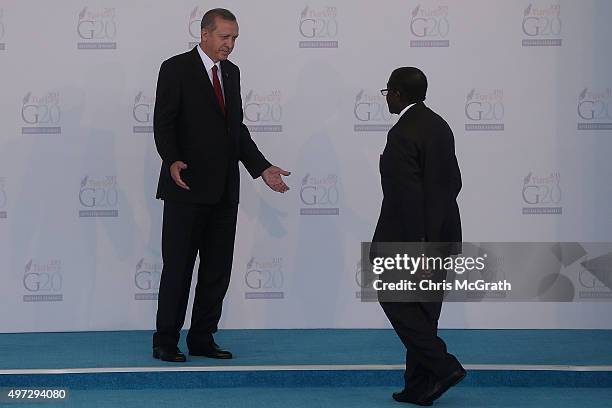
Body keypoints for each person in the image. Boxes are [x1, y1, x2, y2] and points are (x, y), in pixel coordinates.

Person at [152, 8, 290, 362]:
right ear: (204, 34)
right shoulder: (175, 68)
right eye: (224, 37)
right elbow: (163, 123)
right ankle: (165, 340)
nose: (230, 45)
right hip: (186, 187)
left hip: (225, 190)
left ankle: (202, 337)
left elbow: (235, 130)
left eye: (235, 38)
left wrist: (261, 168)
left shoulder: (231, 72)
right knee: (179, 268)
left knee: (216, 271)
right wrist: (171, 160)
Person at [372, 67, 465, 405]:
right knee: (424, 313)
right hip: (442, 235)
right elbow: (453, 182)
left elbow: (406, 197)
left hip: (412, 241)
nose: (387, 99)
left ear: (396, 94)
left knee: (394, 300)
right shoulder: (440, 125)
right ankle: (418, 386)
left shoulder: (402, 134)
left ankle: (444, 366)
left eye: (387, 93)